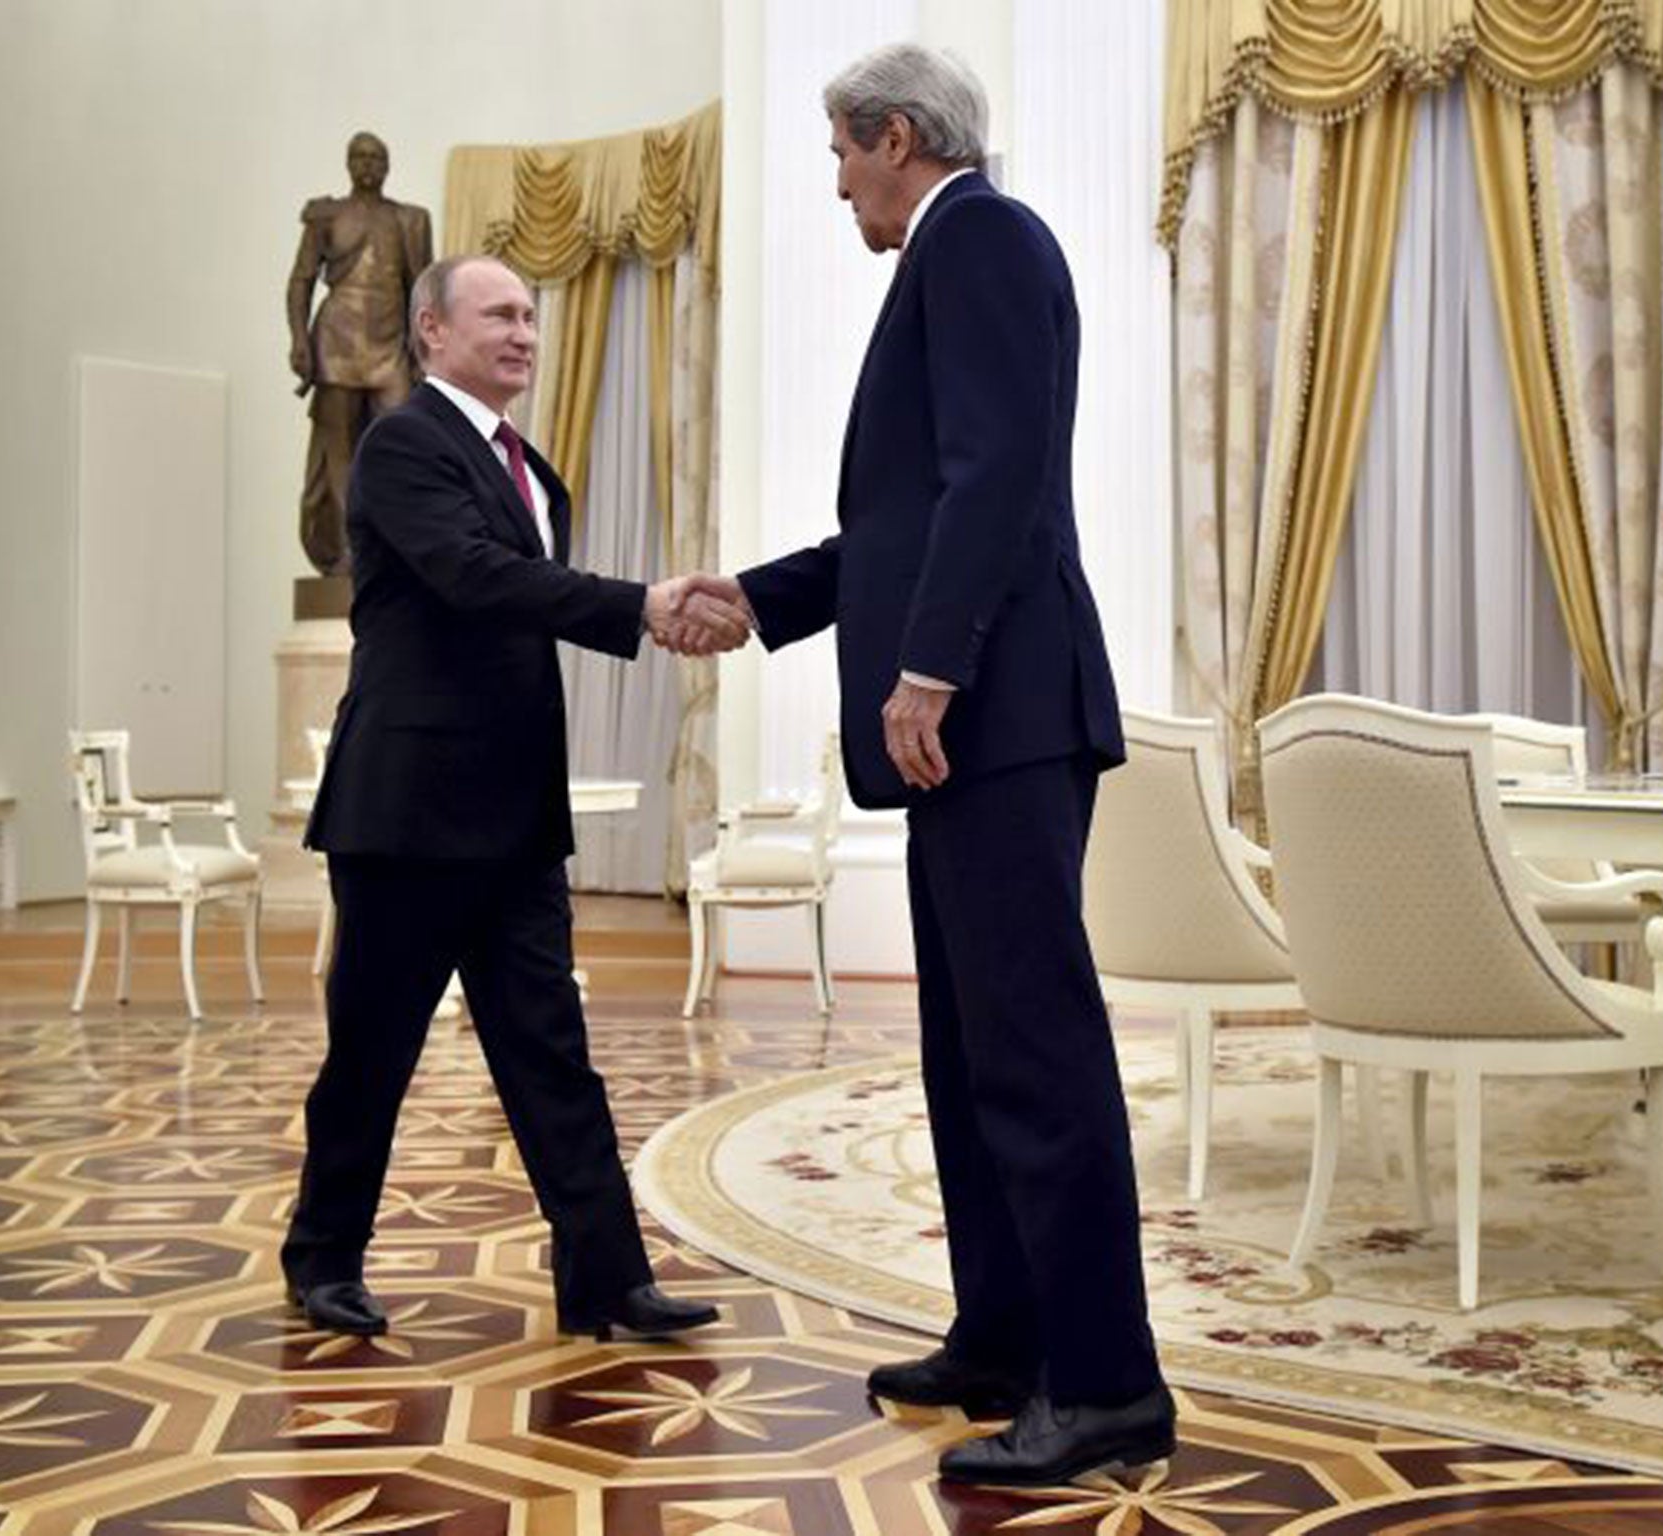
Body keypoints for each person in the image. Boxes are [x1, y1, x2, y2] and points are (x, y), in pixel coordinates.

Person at [690, 44, 1175, 1485]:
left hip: (999, 716)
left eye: (842, 155)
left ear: (896, 135)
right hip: (975, 727)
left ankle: (1105, 1387)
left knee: (1035, 1053)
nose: (838, 183)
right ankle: (1005, 1338)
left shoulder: (985, 237)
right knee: (971, 1052)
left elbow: (1000, 475)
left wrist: (932, 665)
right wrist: (760, 600)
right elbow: (906, 524)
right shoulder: (953, 254)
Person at [283, 253, 743, 1342]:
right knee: (372, 1053)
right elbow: (473, 575)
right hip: (406, 813)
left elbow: (513, 605)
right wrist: (640, 605)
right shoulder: (402, 444)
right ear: (432, 332)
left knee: (551, 1053)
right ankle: (322, 1260)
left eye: (533, 317)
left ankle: (608, 1282)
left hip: (514, 815)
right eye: (499, 314)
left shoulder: (533, 466)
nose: (524, 333)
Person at [287, 131, 433, 575]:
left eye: (376, 158)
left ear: (387, 166)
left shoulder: (410, 220)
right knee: (340, 451)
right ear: (348, 163)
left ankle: (395, 541)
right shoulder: (326, 216)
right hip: (337, 340)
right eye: (360, 157)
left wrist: (425, 353)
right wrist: (298, 338)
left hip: (390, 345)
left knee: (400, 443)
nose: (368, 165)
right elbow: (301, 281)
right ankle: (351, 548)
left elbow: (424, 291)